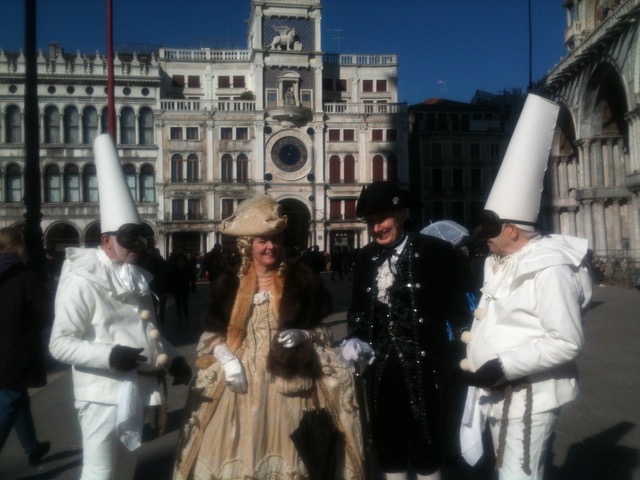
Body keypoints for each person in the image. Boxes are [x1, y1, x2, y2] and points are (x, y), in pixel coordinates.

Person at [174, 194, 364, 480]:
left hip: (289, 378)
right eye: (262, 240)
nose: (270, 246)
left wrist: (305, 334)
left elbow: (323, 332)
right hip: (239, 382)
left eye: (275, 239)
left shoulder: (301, 279)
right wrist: (227, 358)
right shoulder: (229, 283)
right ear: (247, 245)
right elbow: (212, 333)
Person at [459, 94, 593, 480]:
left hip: (529, 394)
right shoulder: (500, 262)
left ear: (513, 229)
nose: (484, 238)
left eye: (490, 230)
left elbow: (567, 340)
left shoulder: (549, 269)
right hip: (500, 394)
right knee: (506, 471)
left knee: (520, 475)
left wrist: (505, 365)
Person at [49, 135, 192, 479]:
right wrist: (109, 355)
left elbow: (149, 331)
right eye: (129, 240)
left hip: (137, 390)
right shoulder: (81, 278)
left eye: (141, 239)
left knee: (127, 468)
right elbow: (60, 342)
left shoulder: (135, 276)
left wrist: (172, 360)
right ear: (106, 240)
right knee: (99, 472)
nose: (137, 247)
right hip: (100, 394)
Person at [343, 181, 470, 480]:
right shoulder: (365, 257)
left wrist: (460, 357)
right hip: (380, 371)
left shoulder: (435, 251)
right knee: (388, 445)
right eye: (371, 222)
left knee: (427, 444)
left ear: (399, 215)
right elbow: (359, 309)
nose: (376, 228)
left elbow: (457, 310)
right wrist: (354, 338)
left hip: (426, 369)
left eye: (382, 219)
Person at [0, 227, 51, 466]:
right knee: (10, 399)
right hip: (15, 348)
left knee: (18, 397)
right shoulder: (24, 276)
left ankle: (32, 446)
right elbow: (44, 313)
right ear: (19, 246)